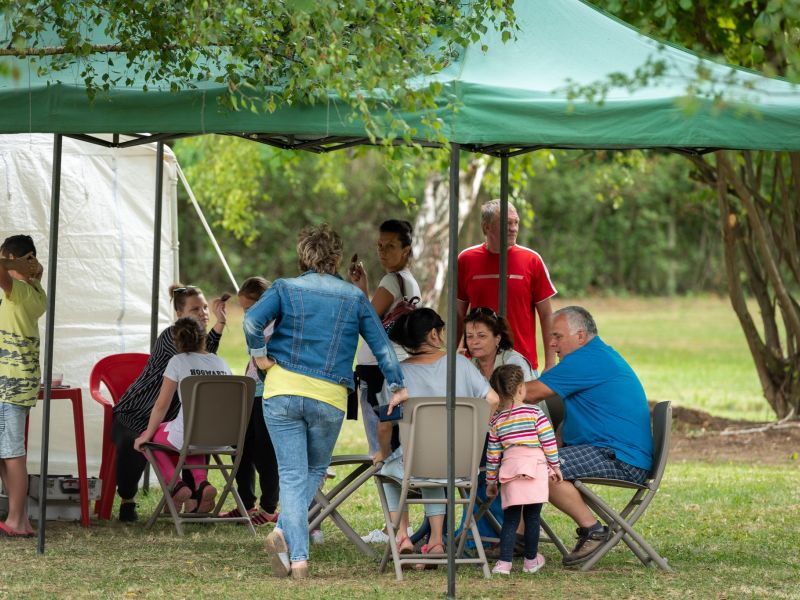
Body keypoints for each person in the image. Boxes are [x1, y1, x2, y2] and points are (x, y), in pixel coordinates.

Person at [244, 223, 407, 580]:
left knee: (291, 474)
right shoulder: (354, 297)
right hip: (329, 397)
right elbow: (381, 344)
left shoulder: (285, 288)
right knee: (314, 471)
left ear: (302, 254)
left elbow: (252, 320)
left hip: (282, 390)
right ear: (335, 257)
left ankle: (295, 554)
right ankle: (289, 542)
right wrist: (397, 384)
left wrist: (259, 358)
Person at [525, 306, 654, 566]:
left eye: (557, 337)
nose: (552, 344)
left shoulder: (587, 359)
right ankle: (519, 535)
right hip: (612, 451)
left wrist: (483, 388)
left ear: (580, 336)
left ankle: (592, 530)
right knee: (532, 460)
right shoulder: (595, 355)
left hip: (619, 458)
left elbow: (529, 393)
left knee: (537, 466)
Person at [375, 308, 499, 566]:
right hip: (463, 463)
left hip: (418, 461)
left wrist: (383, 453)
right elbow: (493, 400)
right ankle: (435, 541)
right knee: (432, 465)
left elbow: (385, 424)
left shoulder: (398, 374)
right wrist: (477, 434)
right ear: (433, 334)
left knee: (389, 470)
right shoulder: (461, 364)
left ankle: (402, 536)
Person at [112, 283, 228, 522]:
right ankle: (127, 499)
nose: (204, 313)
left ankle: (193, 498)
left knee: (191, 432)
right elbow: (196, 354)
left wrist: (220, 323)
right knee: (136, 439)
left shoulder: (202, 346)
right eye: (196, 309)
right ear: (179, 314)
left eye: (206, 307)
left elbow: (204, 353)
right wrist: (218, 327)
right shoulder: (171, 336)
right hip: (138, 410)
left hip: (170, 414)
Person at [133, 317, 231, 512]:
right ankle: (202, 483)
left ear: (177, 342)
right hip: (222, 437)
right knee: (193, 437)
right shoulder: (220, 363)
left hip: (189, 435)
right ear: (203, 339)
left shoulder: (177, 361)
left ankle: (176, 485)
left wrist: (146, 435)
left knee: (150, 439)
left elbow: (161, 405)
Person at [456, 199, 557, 374]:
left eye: (515, 222)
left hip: (520, 361)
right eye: (506, 223)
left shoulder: (532, 260)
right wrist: (453, 356)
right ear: (486, 227)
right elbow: (458, 314)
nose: (513, 228)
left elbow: (547, 315)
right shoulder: (466, 259)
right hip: (476, 363)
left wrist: (550, 364)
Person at [349, 219, 421, 457]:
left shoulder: (391, 281)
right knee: (399, 443)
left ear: (406, 250)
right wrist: (364, 288)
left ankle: (390, 491)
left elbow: (366, 322)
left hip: (377, 370)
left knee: (381, 448)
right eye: (380, 246)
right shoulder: (409, 282)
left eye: (390, 246)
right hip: (399, 367)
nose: (382, 252)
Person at [485, 365, 562, 575]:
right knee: (532, 518)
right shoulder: (535, 413)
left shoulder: (497, 420)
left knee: (511, 520)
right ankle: (530, 561)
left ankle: (504, 563)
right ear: (521, 388)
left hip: (510, 471)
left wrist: (491, 482)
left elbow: (493, 455)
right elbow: (548, 442)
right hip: (535, 469)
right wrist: (555, 466)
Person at [219, 277, 280, 525]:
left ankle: (268, 508)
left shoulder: (276, 326)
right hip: (251, 391)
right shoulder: (255, 325)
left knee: (265, 451)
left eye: (250, 308)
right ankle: (245, 502)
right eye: (244, 310)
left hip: (269, 392)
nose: (247, 314)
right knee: (240, 446)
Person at [0, 235, 45, 538]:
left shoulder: (19, 290)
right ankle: (20, 519)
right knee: (7, 452)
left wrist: (16, 263)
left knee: (13, 453)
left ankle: (18, 520)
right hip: (16, 383)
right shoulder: (35, 290)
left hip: (11, 385)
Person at [464, 307, 535, 382]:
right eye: (470, 336)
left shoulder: (514, 362)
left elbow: (520, 393)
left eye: (482, 336)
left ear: (497, 339)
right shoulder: (469, 364)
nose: (474, 342)